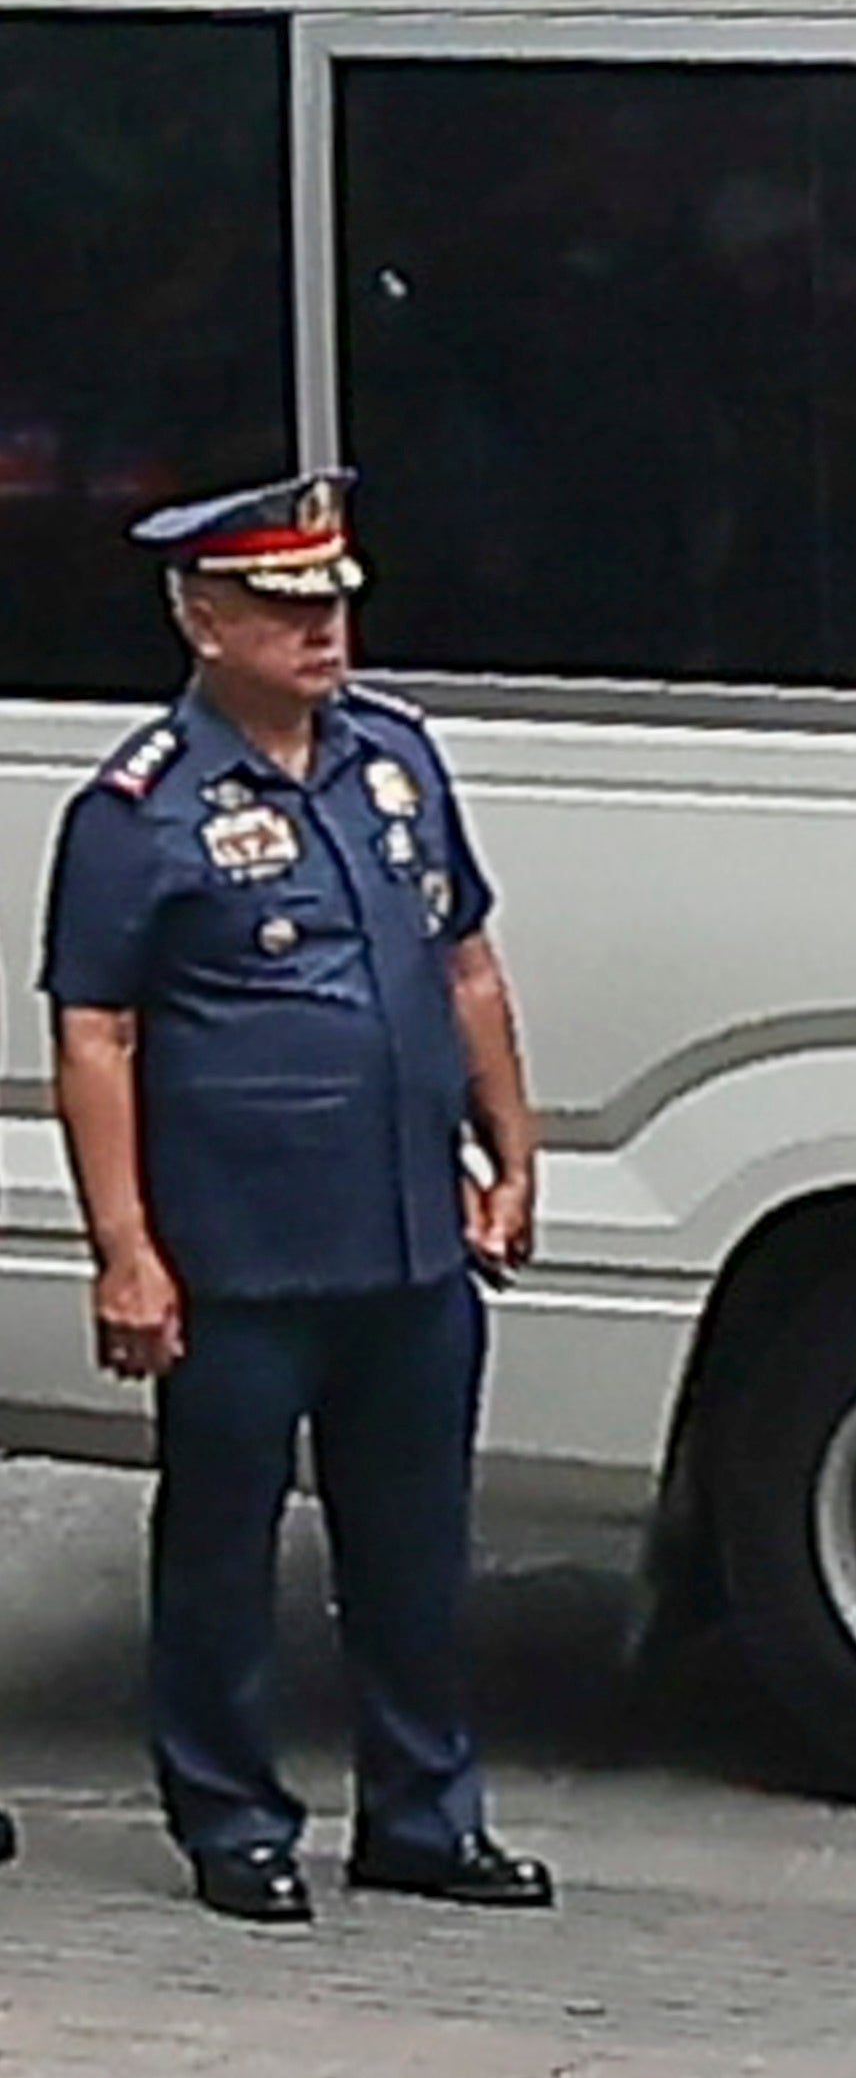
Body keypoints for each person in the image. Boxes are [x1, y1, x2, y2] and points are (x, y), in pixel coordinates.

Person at [38, 469, 551, 1926]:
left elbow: (465, 964)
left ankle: (423, 1813)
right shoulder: (139, 808)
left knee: (417, 1548)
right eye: (285, 607)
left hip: (405, 1236)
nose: (323, 630)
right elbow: (98, 1033)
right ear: (205, 622)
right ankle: (233, 1817)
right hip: (241, 1254)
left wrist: (511, 1153)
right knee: (221, 1548)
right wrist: (126, 1250)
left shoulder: (393, 759)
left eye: (332, 601)